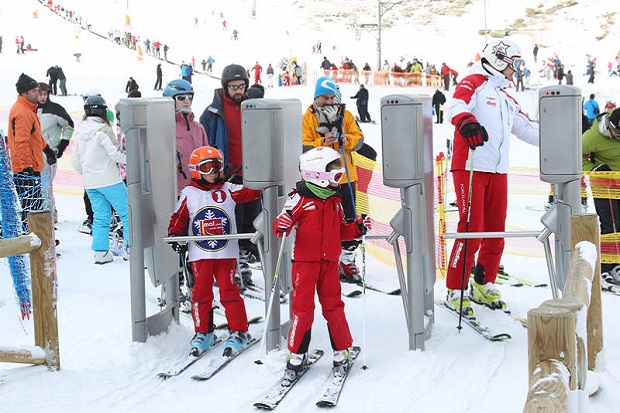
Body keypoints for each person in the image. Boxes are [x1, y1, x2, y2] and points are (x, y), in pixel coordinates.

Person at [444, 39, 539, 315]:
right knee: (471, 229)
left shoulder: (506, 96)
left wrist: (561, 137)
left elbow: (527, 130)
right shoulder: (474, 81)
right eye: (516, 63)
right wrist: (466, 121)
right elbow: (455, 106)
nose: (517, 70)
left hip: (498, 170)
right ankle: (455, 288)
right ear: (500, 59)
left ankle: (484, 282)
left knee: (496, 230)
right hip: (471, 166)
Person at [273, 146, 371, 379]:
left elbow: (341, 232)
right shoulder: (299, 199)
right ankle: (297, 354)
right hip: (305, 264)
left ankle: (341, 351)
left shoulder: (335, 201)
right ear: (318, 175)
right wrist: (284, 223)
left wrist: (356, 228)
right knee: (303, 309)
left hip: (329, 264)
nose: (340, 180)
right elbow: (280, 225)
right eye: (336, 174)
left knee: (334, 306)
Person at [168, 146, 260, 357]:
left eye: (217, 166)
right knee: (200, 292)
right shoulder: (189, 193)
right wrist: (175, 235)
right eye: (207, 167)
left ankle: (239, 330)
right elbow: (179, 217)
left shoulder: (228, 189)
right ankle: (204, 331)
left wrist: (263, 179)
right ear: (195, 170)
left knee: (229, 291)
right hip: (200, 253)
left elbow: (251, 193)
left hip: (225, 252)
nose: (213, 172)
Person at [198, 64, 261, 276]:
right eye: (233, 87)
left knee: (250, 218)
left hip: (251, 174)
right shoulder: (212, 113)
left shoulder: (253, 108)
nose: (238, 91)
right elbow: (203, 143)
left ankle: (243, 256)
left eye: (241, 86)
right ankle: (229, 262)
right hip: (226, 176)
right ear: (225, 87)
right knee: (230, 218)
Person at [302, 76, 364, 283]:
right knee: (322, 221)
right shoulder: (307, 118)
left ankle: (347, 259)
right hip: (320, 179)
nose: (329, 102)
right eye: (324, 98)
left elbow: (360, 140)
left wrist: (347, 140)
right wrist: (322, 141)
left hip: (346, 177)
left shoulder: (345, 115)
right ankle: (325, 260)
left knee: (349, 219)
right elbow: (302, 146)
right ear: (316, 98)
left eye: (331, 97)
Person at [71, 96, 129, 264]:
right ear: (103, 111)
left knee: (100, 216)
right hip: (111, 180)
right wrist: (132, 159)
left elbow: (75, 161)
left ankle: (100, 252)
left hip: (91, 183)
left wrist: (88, 173)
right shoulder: (103, 130)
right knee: (127, 213)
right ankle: (131, 248)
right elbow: (116, 153)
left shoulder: (80, 131)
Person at [7, 74, 57, 233]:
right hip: (26, 170)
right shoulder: (23, 112)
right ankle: (34, 240)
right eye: (34, 91)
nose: (38, 94)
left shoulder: (28, 110)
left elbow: (34, 136)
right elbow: (21, 142)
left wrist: (46, 149)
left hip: (30, 167)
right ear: (24, 92)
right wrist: (26, 167)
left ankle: (35, 238)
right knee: (32, 208)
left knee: (33, 207)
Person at [582, 108, 620, 289]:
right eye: (618, 133)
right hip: (605, 186)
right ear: (610, 126)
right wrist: (595, 168)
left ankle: (617, 262)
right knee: (611, 225)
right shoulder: (592, 137)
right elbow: (574, 153)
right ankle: (607, 267)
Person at [163, 79, 208, 197]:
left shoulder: (198, 128)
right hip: (175, 191)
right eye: (181, 98)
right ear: (170, 100)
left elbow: (206, 154)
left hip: (199, 189)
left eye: (189, 98)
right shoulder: (164, 127)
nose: (186, 101)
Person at [36, 83, 74, 221]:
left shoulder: (55, 109)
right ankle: (46, 214)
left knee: (45, 186)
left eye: (45, 94)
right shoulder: (30, 109)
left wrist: (62, 144)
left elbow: (69, 126)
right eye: (40, 94)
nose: (42, 97)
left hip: (49, 155)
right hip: (33, 156)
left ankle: (49, 217)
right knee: (37, 187)